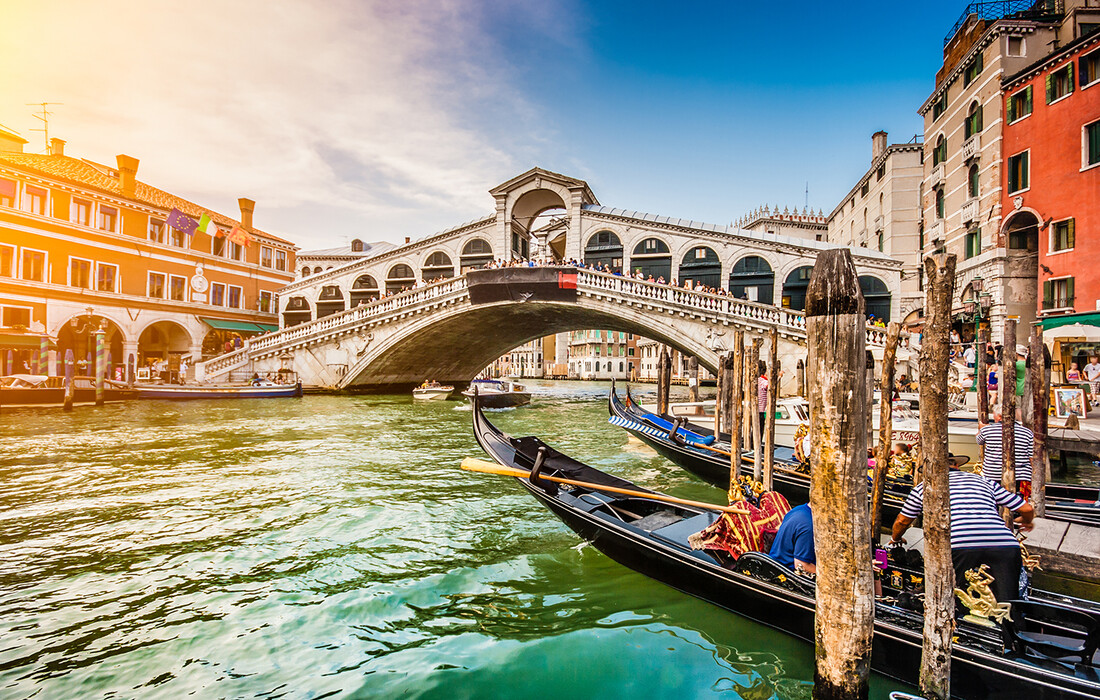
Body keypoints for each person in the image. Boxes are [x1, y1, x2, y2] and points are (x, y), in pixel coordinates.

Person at [890, 467, 1034, 606]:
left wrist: (895, 539)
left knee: (962, 597)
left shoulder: (925, 486)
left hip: (960, 545)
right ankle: (1010, 628)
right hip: (1005, 544)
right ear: (957, 467)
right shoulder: (983, 481)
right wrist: (1025, 522)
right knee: (1008, 599)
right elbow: (1026, 508)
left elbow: (902, 521)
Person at [976, 408, 1034, 498]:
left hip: (993, 475)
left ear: (999, 417)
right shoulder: (1027, 432)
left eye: (994, 415)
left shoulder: (987, 430)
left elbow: (979, 441)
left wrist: (981, 429)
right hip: (1021, 476)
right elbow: (1032, 457)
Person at [769, 503, 815, 573]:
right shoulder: (810, 526)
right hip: (786, 574)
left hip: (777, 563)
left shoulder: (798, 509)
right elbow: (801, 566)